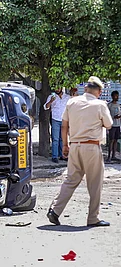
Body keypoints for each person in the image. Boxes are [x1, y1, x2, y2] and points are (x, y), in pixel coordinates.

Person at [47, 76, 113, 227]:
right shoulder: (100, 105)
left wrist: (65, 146)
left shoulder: (72, 102)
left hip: (75, 146)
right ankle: (92, 218)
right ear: (99, 91)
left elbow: (64, 126)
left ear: (86, 89)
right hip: (91, 147)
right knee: (95, 183)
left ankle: (55, 211)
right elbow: (108, 125)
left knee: (71, 180)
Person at [43, 87, 71, 163]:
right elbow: (46, 107)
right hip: (55, 119)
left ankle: (63, 155)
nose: (57, 90)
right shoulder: (51, 97)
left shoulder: (67, 97)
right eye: (56, 88)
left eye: (58, 88)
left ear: (62, 88)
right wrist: (51, 101)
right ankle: (54, 156)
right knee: (55, 139)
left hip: (64, 120)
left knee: (63, 139)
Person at [106, 91, 121, 161]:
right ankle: (109, 156)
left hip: (118, 125)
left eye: (117, 96)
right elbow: (107, 116)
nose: (117, 97)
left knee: (116, 140)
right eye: (115, 96)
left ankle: (113, 156)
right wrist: (113, 117)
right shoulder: (109, 105)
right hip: (112, 125)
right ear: (112, 96)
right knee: (111, 140)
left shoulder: (118, 105)